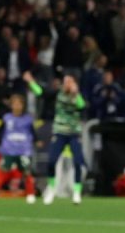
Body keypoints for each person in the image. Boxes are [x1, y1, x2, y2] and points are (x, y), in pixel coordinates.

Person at [25, 72, 85, 205]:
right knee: (51, 161)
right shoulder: (57, 94)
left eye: (70, 82)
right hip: (59, 132)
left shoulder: (77, 96)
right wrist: (31, 82)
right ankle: (51, 188)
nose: (67, 84)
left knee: (77, 162)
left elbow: (82, 106)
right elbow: (40, 93)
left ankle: (76, 192)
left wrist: (76, 94)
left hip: (74, 134)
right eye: (66, 82)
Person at [0, 93, 40, 203]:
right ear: (11, 105)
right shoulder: (6, 118)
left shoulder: (28, 119)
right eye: (15, 104)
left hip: (24, 150)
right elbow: (1, 132)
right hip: (9, 149)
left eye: (19, 104)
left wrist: (37, 141)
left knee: (27, 171)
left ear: (23, 105)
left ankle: (30, 193)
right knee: (4, 170)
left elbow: (33, 132)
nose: (17, 106)